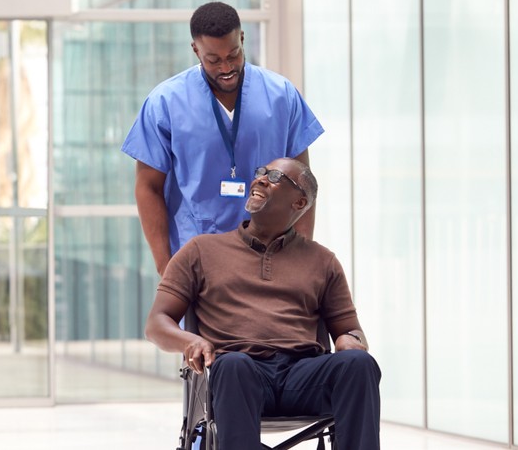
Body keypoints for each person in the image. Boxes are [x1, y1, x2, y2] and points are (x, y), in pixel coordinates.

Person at [144, 158, 381, 450]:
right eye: (260, 173)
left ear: (299, 203)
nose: (260, 179)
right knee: (232, 364)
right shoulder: (201, 251)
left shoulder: (323, 261)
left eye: (275, 176)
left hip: (303, 374)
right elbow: (156, 323)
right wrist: (189, 342)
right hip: (240, 375)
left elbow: (352, 332)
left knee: (359, 365)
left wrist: (349, 340)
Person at [122, 1, 324, 276]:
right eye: (213, 60)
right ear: (196, 50)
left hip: (270, 260)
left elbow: (303, 185)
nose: (226, 67)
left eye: (234, 55)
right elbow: (148, 188)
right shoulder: (165, 103)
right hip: (197, 262)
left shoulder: (281, 95)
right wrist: (166, 268)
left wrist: (300, 260)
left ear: (242, 38)